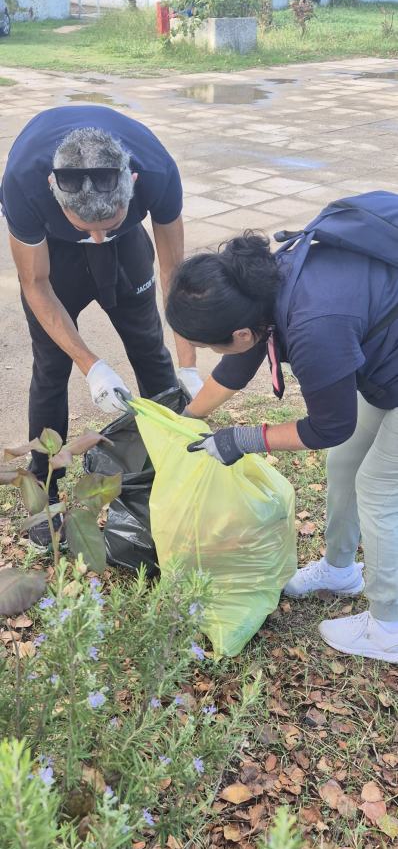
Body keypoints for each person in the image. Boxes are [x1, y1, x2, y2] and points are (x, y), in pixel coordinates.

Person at [165, 229, 398, 662]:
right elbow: (237, 363)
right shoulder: (261, 283)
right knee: (345, 464)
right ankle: (340, 569)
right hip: (388, 363)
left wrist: (244, 439)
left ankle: (388, 627)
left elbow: (330, 427)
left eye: (208, 345)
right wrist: (183, 421)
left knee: (378, 488)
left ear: (239, 332)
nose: (210, 352)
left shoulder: (313, 328)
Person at [0, 105, 203, 545]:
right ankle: (45, 499)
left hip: (128, 252)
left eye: (105, 225)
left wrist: (189, 363)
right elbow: (35, 284)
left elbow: (174, 273)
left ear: (132, 184)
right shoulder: (23, 182)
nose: (96, 238)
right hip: (55, 259)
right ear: (53, 188)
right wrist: (91, 364)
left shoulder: (157, 170)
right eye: (86, 227)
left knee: (153, 356)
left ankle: (172, 474)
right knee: (51, 370)